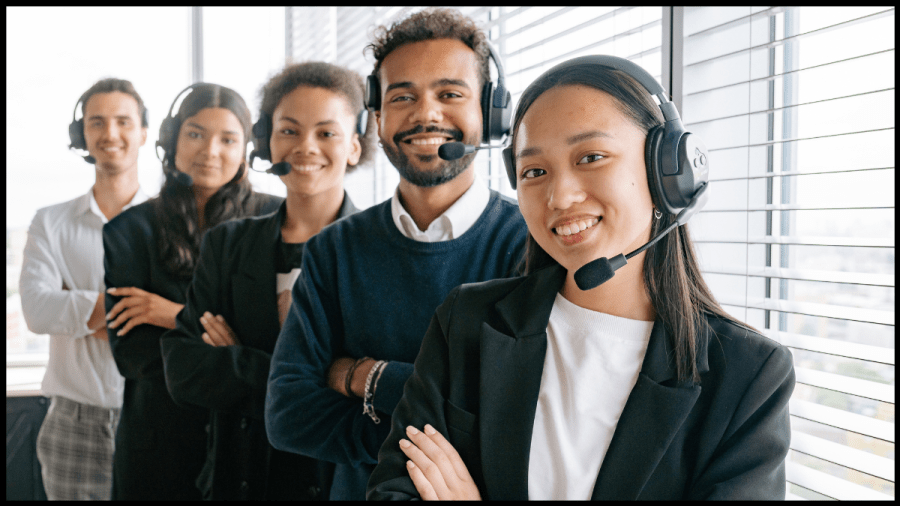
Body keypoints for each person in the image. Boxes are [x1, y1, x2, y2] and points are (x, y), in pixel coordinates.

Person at [366, 56, 796, 500]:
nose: (560, 195)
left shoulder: (748, 376)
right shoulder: (469, 322)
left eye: (591, 157)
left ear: (667, 171)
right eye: (534, 171)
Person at [265, 8, 528, 501]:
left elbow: (522, 420)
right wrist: (450, 430)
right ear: (378, 118)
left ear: (490, 112)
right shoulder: (333, 250)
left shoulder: (530, 246)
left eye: (450, 94)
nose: (426, 114)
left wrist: (361, 376)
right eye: (402, 96)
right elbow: (289, 416)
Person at [158, 61, 375, 500]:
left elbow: (378, 393)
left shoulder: (379, 250)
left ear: (354, 146)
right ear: (267, 141)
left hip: (337, 482)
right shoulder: (228, 245)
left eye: (326, 133)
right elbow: (184, 371)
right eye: (289, 130)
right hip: (239, 478)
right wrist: (315, 375)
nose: (305, 146)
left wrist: (239, 358)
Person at [103, 83, 282, 500]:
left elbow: (280, 348)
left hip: (251, 442)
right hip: (159, 446)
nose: (210, 150)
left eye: (228, 138)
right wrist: (233, 346)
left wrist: (172, 315)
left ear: (247, 149)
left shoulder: (278, 219)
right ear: (172, 140)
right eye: (196, 134)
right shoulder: (129, 231)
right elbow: (135, 356)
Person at [19, 78, 150, 501]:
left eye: (123, 121)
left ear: (144, 133)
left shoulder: (167, 222)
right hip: (72, 424)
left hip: (153, 416)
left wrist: (79, 312)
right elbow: (38, 311)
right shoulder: (50, 222)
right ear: (83, 135)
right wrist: (131, 312)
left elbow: (181, 315)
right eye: (97, 122)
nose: (110, 134)